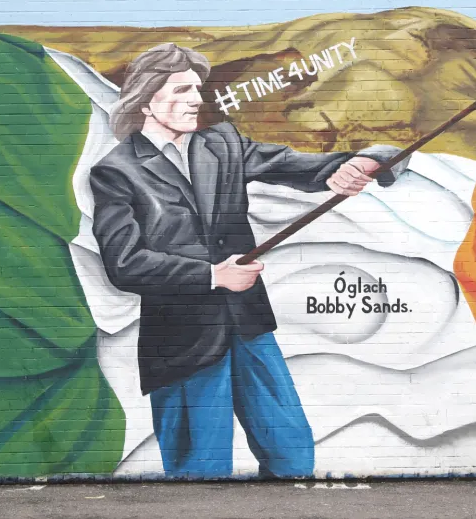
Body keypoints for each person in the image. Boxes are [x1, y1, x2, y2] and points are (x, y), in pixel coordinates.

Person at [89, 43, 408, 479]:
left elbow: (293, 165)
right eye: (181, 90)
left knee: (292, 453)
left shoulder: (222, 143)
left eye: (196, 89)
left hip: (249, 325)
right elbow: (124, 263)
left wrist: (356, 164)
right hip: (184, 341)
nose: (196, 100)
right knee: (199, 470)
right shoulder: (117, 171)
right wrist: (212, 275)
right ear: (146, 100)